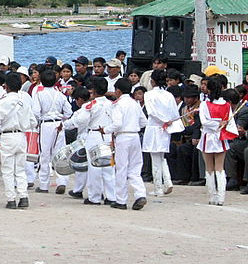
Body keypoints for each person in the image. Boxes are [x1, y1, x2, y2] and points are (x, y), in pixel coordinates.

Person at [0, 72, 36, 209]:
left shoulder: (3, 101)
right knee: (20, 169)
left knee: (8, 169)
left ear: (6, 86)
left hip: (8, 136)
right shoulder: (25, 102)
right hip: (22, 136)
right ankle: (23, 196)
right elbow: (33, 122)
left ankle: (11, 199)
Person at [66, 79, 116, 205]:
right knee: (109, 167)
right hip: (108, 135)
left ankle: (95, 197)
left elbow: (81, 119)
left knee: (95, 168)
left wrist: (72, 123)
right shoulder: (111, 104)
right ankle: (111, 196)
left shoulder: (91, 105)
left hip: (94, 134)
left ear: (93, 90)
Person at [104, 78, 148, 211]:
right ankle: (140, 194)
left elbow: (117, 123)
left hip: (123, 136)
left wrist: (105, 130)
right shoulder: (135, 104)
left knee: (121, 169)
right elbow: (144, 122)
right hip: (135, 135)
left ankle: (121, 200)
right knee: (135, 168)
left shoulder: (118, 104)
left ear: (118, 91)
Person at [197, 76, 239, 206]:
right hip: (219, 136)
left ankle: (214, 196)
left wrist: (218, 124)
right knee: (219, 168)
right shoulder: (226, 105)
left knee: (210, 168)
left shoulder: (205, 104)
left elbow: (204, 122)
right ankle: (220, 197)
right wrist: (222, 124)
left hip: (209, 137)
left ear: (209, 90)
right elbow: (230, 124)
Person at [30, 69, 72, 194]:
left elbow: (36, 112)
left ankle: (44, 184)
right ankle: (62, 181)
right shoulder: (60, 94)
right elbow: (69, 112)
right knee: (60, 153)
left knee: (45, 155)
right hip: (59, 124)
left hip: (46, 124)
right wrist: (61, 117)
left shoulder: (39, 94)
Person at [142, 69, 180, 196]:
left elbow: (152, 112)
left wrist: (164, 120)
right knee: (161, 156)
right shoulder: (169, 95)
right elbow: (175, 113)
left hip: (154, 127)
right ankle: (167, 181)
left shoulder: (148, 95)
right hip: (165, 128)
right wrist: (168, 121)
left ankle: (158, 187)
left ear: (152, 81)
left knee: (155, 157)